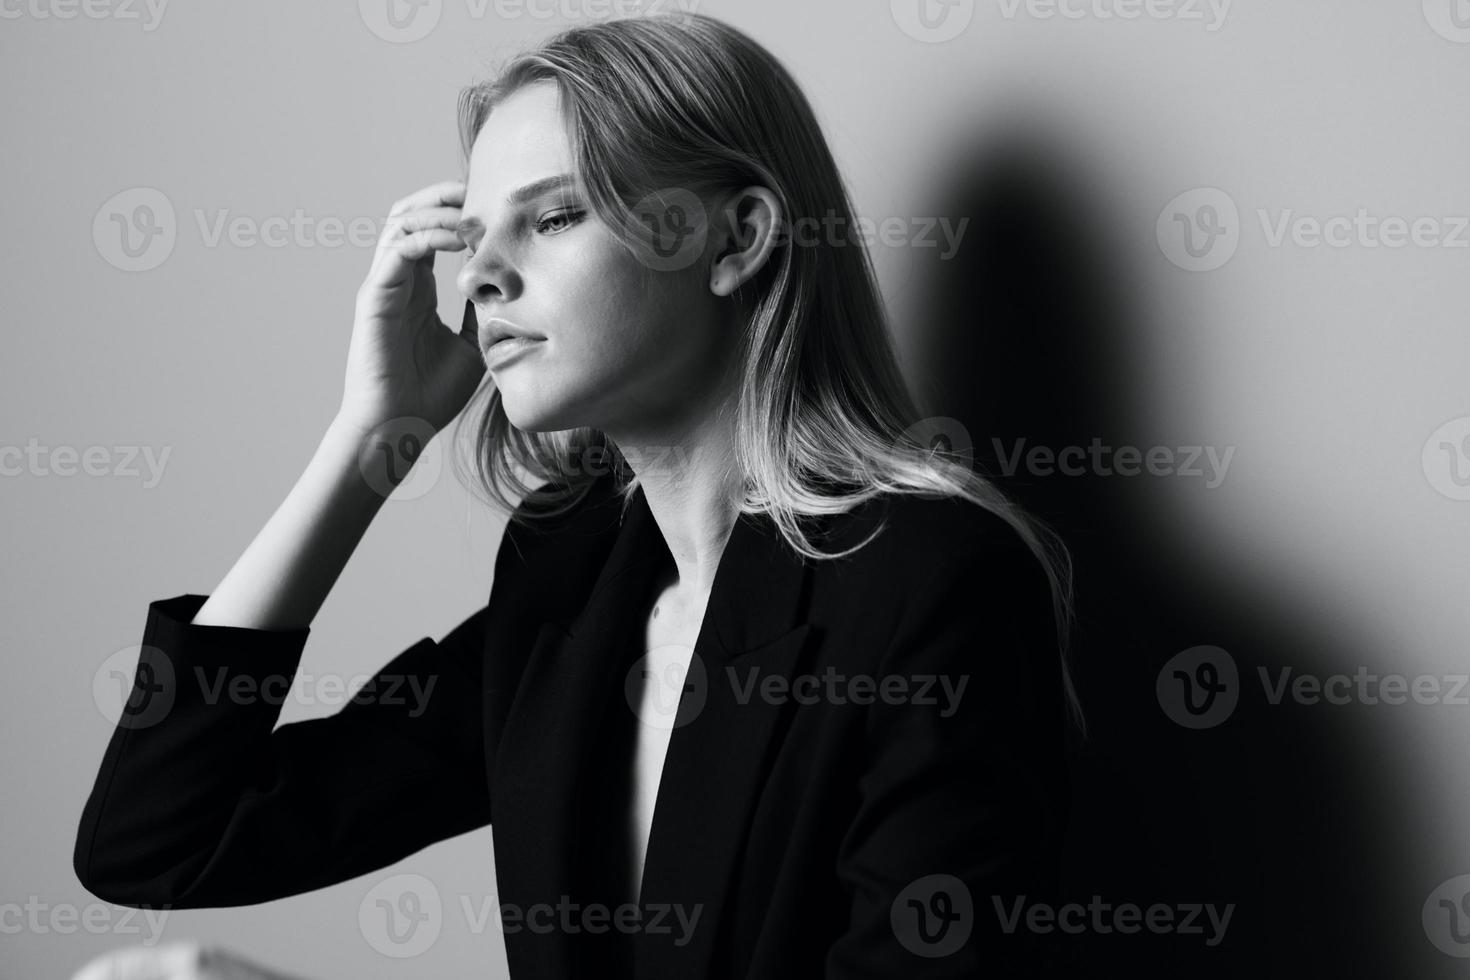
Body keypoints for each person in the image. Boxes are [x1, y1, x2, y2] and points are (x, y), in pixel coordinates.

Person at [73, 13, 1080, 978]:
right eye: (473, 238)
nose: (479, 280)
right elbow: (157, 837)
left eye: (553, 216)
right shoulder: (571, 576)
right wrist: (369, 443)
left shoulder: (937, 588)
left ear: (735, 240)